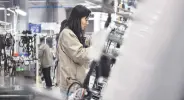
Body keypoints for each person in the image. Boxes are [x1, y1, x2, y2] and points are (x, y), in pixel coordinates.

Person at [56, 5, 91, 98]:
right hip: (71, 86)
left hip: (75, 85)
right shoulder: (67, 34)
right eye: (85, 19)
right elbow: (80, 55)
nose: (87, 23)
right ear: (78, 19)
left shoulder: (74, 34)